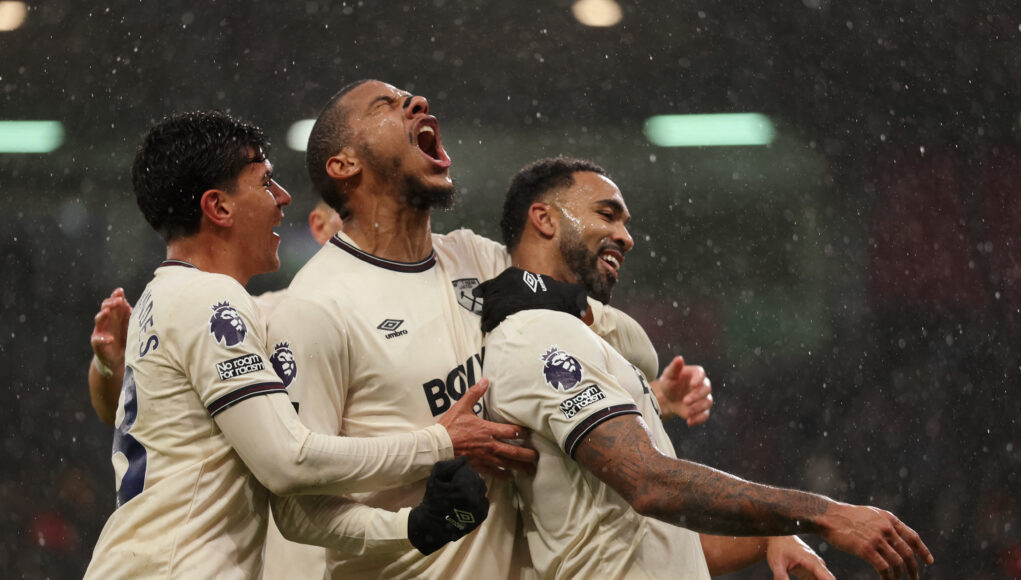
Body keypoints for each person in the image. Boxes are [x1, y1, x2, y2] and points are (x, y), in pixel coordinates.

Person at [266, 79, 713, 578]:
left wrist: (572, 306)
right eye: (385, 105)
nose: (418, 102)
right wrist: (418, 522)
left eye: (410, 97)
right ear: (344, 165)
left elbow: (639, 354)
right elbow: (297, 507)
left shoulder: (477, 259)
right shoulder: (315, 307)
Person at [84, 110, 520, 578]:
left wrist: (413, 525)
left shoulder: (166, 295)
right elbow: (288, 461)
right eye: (266, 183)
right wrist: (439, 442)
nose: (283, 198)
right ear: (219, 207)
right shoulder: (211, 300)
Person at [476, 157, 935, 579]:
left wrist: (768, 533)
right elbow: (650, 483)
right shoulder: (535, 334)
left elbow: (653, 537)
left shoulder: (570, 334)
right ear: (544, 219)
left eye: (625, 222)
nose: (626, 236)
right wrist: (824, 513)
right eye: (607, 214)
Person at [87, 200, 344, 426]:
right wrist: (110, 366)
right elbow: (120, 412)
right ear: (321, 227)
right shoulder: (247, 316)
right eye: (350, 216)